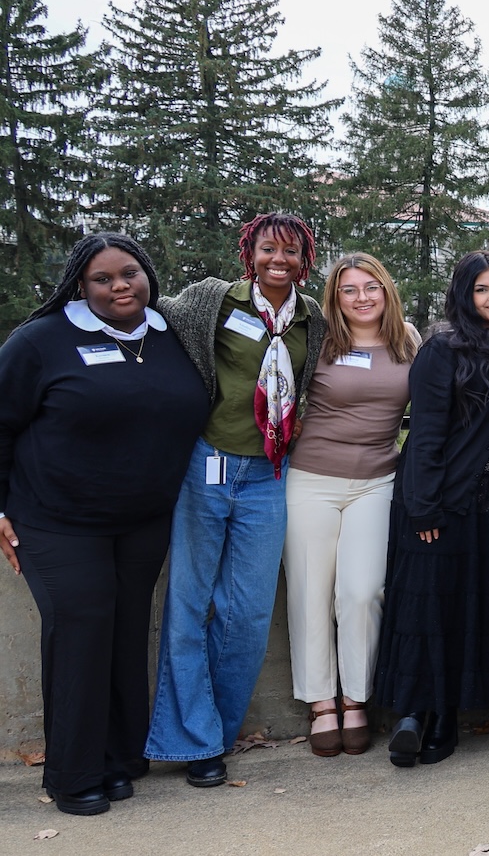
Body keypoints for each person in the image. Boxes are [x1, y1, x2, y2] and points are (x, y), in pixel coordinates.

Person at [0, 234, 210, 815]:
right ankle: (72, 774)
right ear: (78, 285)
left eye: (131, 273)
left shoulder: (169, 335)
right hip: (57, 520)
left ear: (148, 275)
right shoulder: (42, 341)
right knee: (81, 631)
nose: (121, 286)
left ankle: (120, 760)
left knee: (123, 635)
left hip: (142, 520)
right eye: (103, 278)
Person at [147, 212, 327, 788]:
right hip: (207, 464)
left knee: (247, 611)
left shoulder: (311, 319)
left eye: (292, 252)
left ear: (306, 259)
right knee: (190, 602)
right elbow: (148, 315)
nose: (281, 260)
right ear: (250, 252)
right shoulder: (213, 301)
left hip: (269, 473)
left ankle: (216, 735)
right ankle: (192, 741)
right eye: (270, 249)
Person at [376, 250, 489, 768]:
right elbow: (425, 432)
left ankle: (454, 714)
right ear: (463, 294)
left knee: (478, 609)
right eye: (482, 289)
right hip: (447, 501)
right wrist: (422, 506)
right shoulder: (443, 349)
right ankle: (419, 715)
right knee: (431, 607)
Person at [283, 252, 418, 758]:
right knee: (309, 592)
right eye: (349, 290)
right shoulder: (318, 340)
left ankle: (357, 698)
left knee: (362, 592)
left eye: (371, 288)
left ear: (386, 291)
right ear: (334, 297)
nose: (361, 298)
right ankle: (321, 702)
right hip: (311, 480)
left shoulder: (409, 341)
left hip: (377, 481)